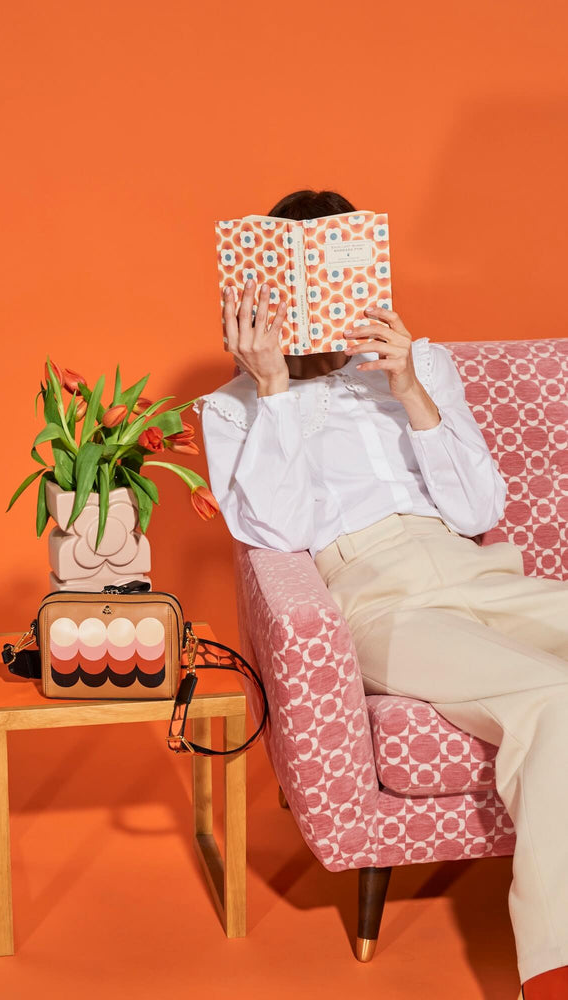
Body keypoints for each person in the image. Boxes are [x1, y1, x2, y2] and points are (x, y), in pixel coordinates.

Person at [192, 189, 568, 1000]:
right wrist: (274, 392)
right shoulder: (229, 410)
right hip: (372, 597)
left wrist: (409, 388)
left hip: (472, 567)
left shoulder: (417, 365)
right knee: (554, 697)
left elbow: (476, 512)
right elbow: (276, 532)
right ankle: (554, 971)